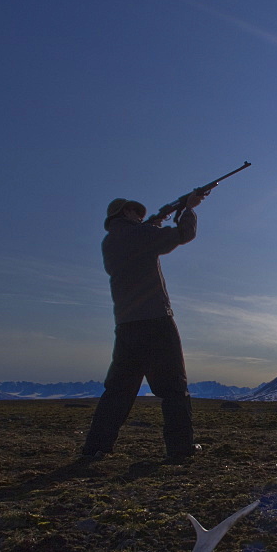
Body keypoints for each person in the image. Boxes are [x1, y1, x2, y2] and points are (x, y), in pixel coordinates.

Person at [81, 191, 205, 463]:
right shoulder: (140, 235)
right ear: (125, 214)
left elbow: (138, 243)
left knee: (118, 392)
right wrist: (188, 209)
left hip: (126, 326)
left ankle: (95, 447)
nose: (140, 215)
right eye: (135, 212)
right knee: (173, 389)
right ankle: (180, 449)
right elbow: (184, 234)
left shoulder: (110, 242)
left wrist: (151, 225)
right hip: (156, 322)